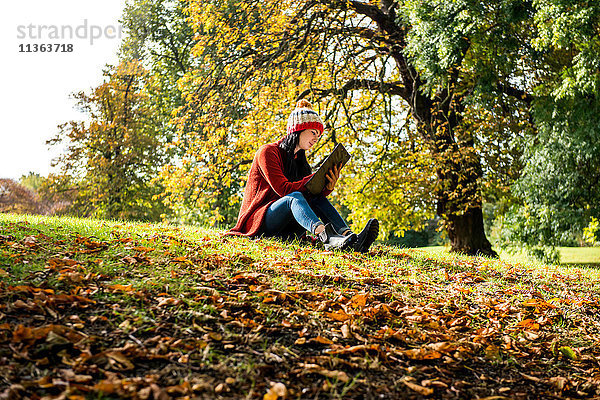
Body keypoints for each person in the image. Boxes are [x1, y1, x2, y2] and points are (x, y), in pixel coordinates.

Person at [227, 99, 379, 252]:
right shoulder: (267, 152)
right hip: (260, 223)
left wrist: (327, 187)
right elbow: (284, 190)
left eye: (318, 136)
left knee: (316, 198)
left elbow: (310, 194)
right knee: (294, 197)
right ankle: (326, 236)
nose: (316, 139)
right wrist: (313, 179)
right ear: (297, 129)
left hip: (287, 227)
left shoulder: (300, 162)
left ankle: (351, 238)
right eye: (313, 132)